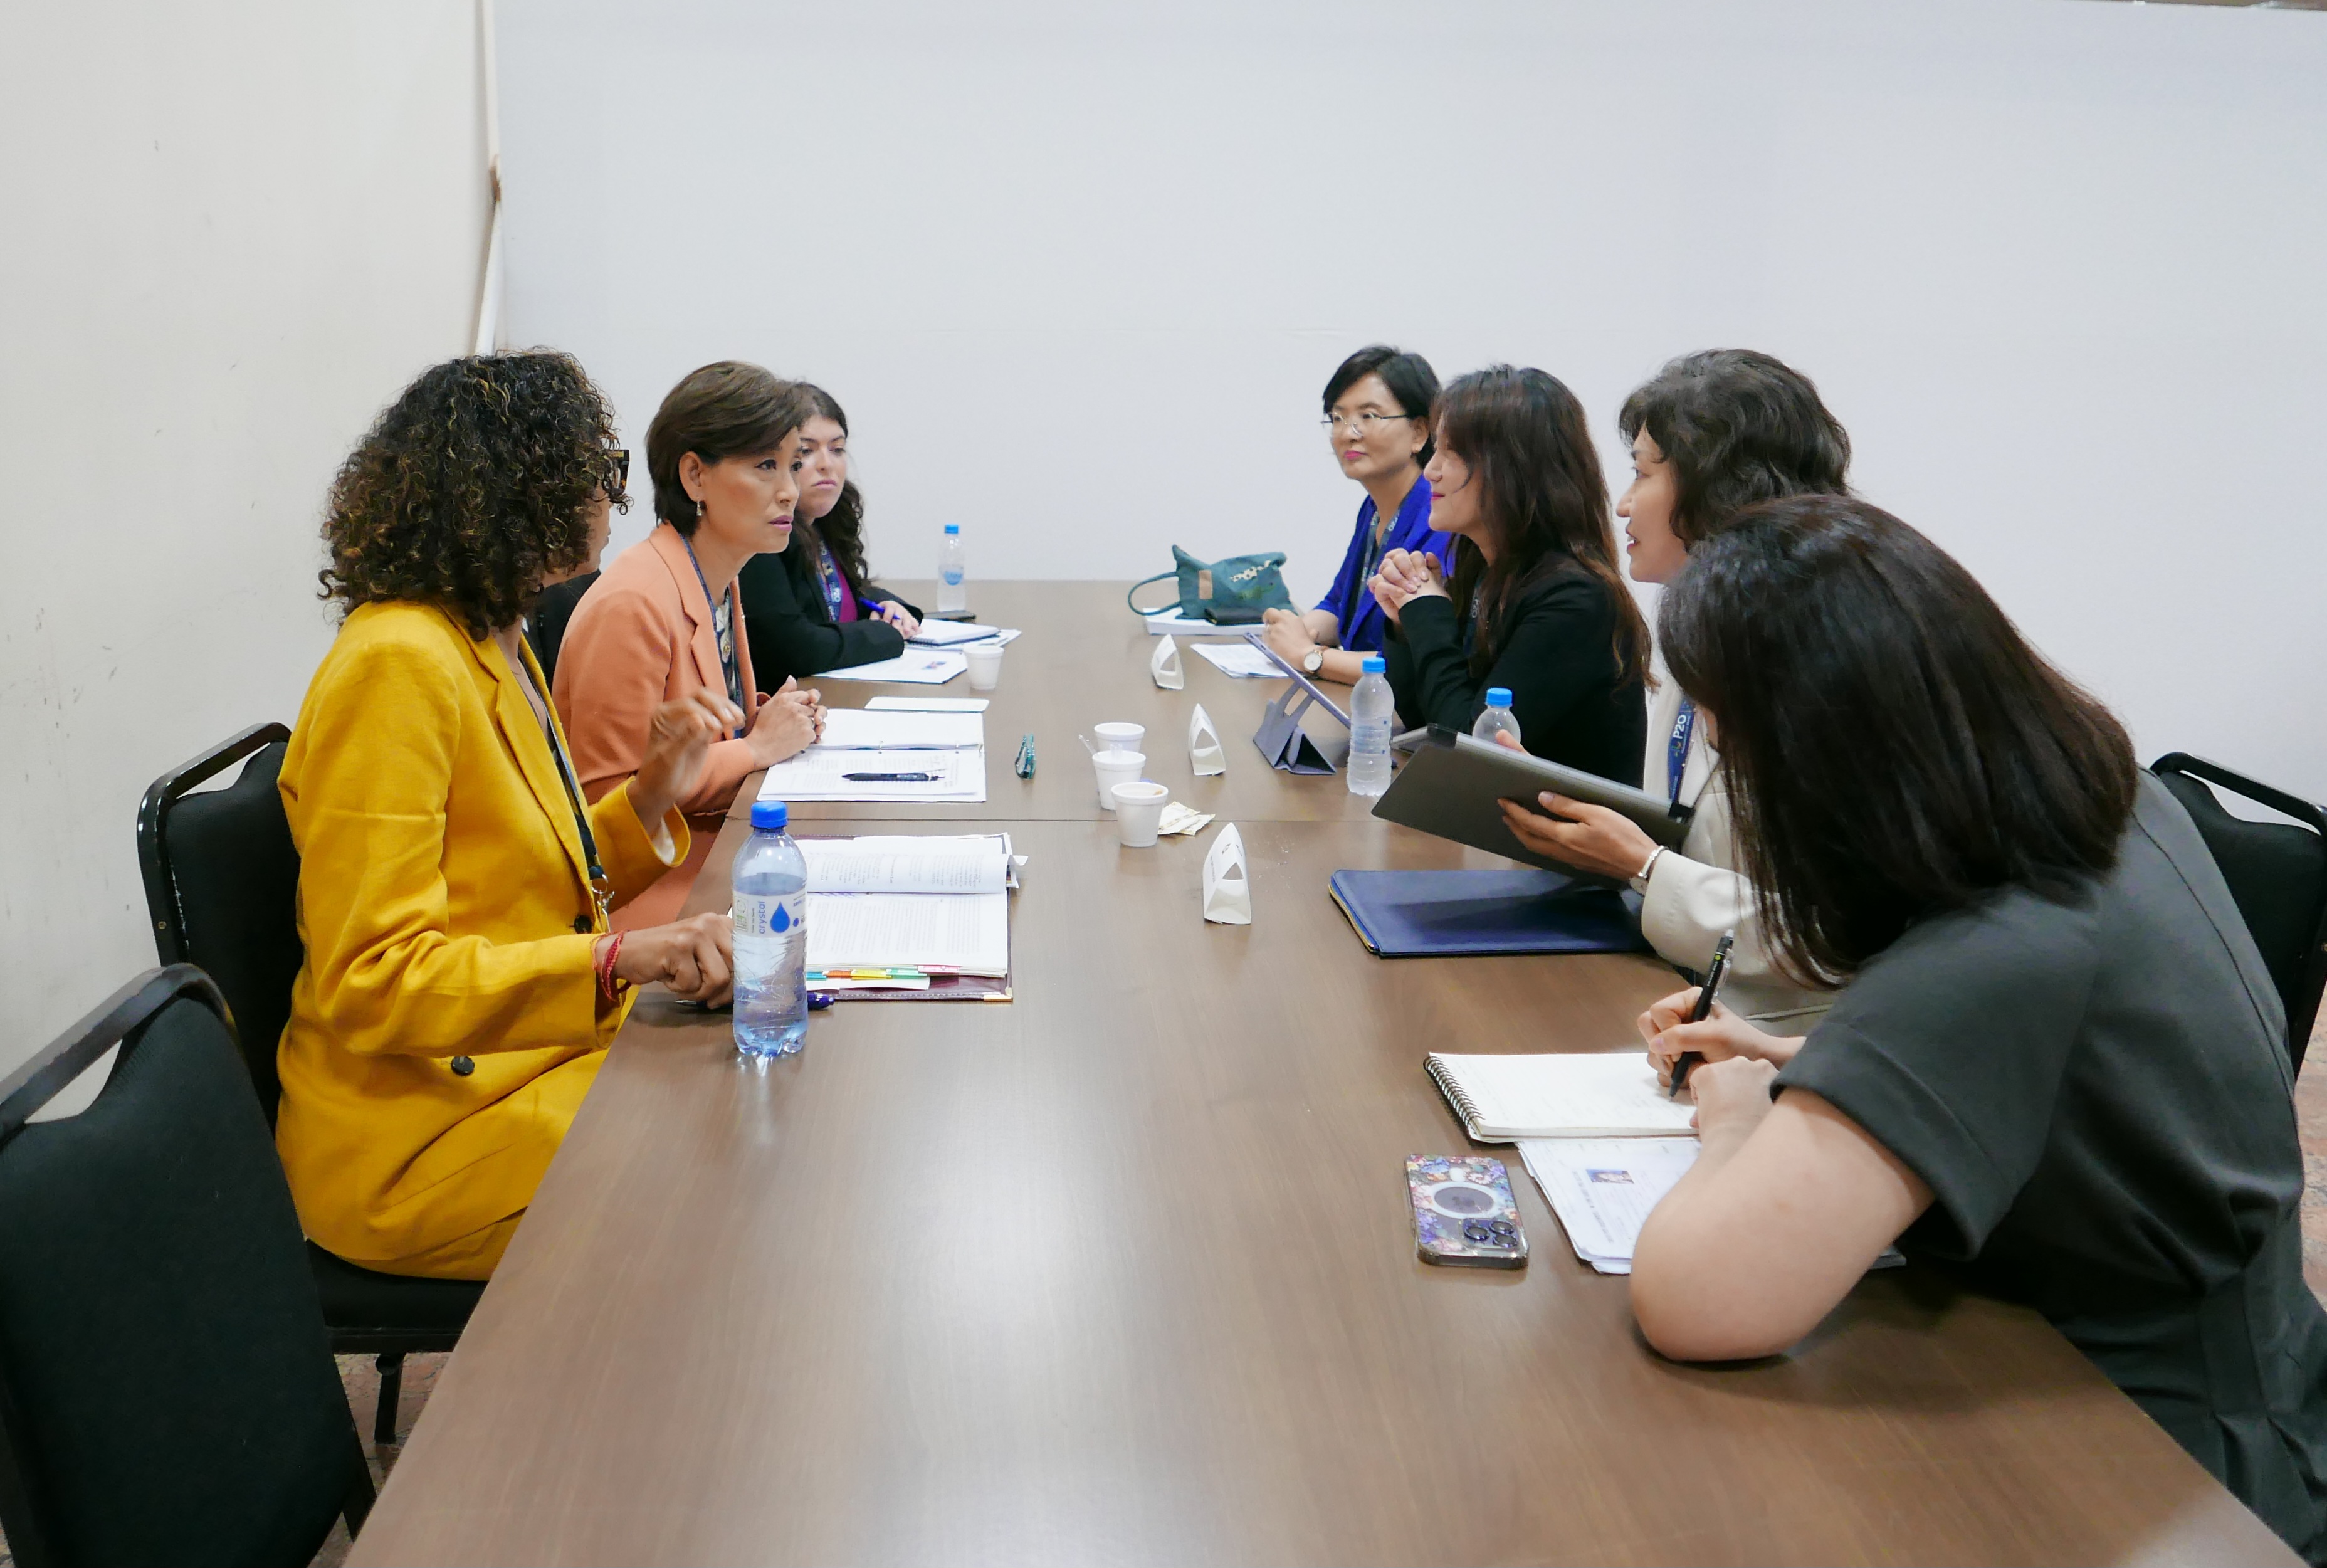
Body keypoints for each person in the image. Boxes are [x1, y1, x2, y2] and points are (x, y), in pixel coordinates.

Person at [1626, 495, 2327, 1560]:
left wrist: (1734, 1119)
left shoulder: (1991, 954)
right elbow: (2045, 1079)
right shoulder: (2115, 810)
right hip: (2255, 1389)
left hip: (2155, 1474)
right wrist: (1800, 1060)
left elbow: (1693, 1299)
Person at [278, 351, 742, 1281]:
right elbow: (377, 979)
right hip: (421, 1137)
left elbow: (536, 882)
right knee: (724, 1180)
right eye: (597, 473)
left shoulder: (493, 637)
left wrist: (653, 789)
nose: (612, 498)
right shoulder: (397, 665)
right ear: (520, 493)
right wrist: (622, 958)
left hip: (518, 1065)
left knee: (752, 1105)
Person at [1494, 350, 1852, 1025]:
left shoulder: (1820, 656)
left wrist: (1646, 867)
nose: (1623, 501)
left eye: (1642, 472)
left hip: (1798, 1038)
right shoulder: (1701, 620)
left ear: (1720, 485)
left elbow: (1833, 936)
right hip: (1697, 1000)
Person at [555, 360, 826, 930]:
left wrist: (765, 723)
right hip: (650, 904)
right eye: (765, 466)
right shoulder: (633, 602)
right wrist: (756, 749)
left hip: (714, 857)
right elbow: (610, 802)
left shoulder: (720, 576)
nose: (788, 490)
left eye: (792, 466)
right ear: (696, 477)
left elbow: (708, 734)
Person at [1367, 364, 1649, 781]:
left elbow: (1468, 748)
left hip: (1561, 838)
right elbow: (1425, 716)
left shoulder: (1574, 597)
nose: (1431, 471)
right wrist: (1406, 624)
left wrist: (1428, 613)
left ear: (1513, 469)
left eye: (1452, 453)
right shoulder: (1484, 564)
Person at [1261, 345, 1454, 683]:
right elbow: (1338, 606)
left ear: (1420, 433)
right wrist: (1293, 632)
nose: (1349, 432)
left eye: (1369, 416)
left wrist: (1310, 656)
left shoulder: (1441, 519)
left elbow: (1415, 661)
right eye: (1338, 418)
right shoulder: (1375, 509)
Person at [736, 383, 924, 685]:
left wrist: (891, 607)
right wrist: (884, 635)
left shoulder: (826, 520)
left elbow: (842, 594)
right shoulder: (764, 534)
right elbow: (794, 648)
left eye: (837, 449)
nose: (827, 465)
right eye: (807, 452)